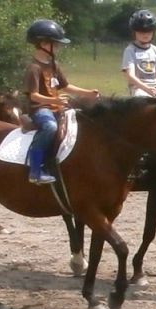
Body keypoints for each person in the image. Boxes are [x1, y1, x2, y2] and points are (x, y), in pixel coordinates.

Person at [24, 19, 100, 185]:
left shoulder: (53, 65)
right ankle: (35, 170)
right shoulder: (33, 68)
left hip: (56, 106)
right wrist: (55, 99)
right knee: (50, 127)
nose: (58, 47)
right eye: (55, 44)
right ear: (43, 43)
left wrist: (88, 93)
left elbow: (65, 86)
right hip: (40, 109)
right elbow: (33, 96)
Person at [121, 9, 156, 98]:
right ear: (134, 32)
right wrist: (147, 89)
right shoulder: (130, 50)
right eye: (141, 31)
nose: (145, 35)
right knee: (144, 101)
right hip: (139, 89)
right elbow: (130, 76)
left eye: (149, 31)